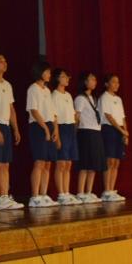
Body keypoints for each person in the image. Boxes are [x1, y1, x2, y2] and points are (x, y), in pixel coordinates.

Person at [0, 53, 23, 210]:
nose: (4, 63)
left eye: (5, 60)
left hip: (6, 126)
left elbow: (11, 108)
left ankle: (5, 195)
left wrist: (16, 128)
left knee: (5, 164)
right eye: (0, 61)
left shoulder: (7, 85)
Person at [26, 60, 58, 208]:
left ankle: (44, 195)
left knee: (47, 163)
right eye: (47, 71)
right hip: (38, 126)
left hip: (49, 125)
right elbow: (34, 110)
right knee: (39, 162)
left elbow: (52, 113)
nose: (49, 74)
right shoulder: (33, 89)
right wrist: (45, 128)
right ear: (40, 72)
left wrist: (55, 129)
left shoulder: (47, 90)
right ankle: (35, 196)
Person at [74, 71, 106, 204]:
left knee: (93, 164)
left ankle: (88, 192)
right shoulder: (80, 98)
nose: (95, 82)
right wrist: (75, 132)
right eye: (92, 79)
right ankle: (80, 192)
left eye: (95, 79)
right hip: (85, 132)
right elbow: (77, 116)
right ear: (85, 82)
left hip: (96, 132)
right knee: (85, 164)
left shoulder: (94, 98)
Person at [50, 68, 79, 205]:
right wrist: (57, 134)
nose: (67, 78)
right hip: (61, 128)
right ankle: (61, 193)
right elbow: (54, 116)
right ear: (57, 78)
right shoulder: (54, 95)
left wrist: (76, 121)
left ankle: (66, 192)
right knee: (61, 163)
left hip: (70, 128)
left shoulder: (68, 95)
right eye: (63, 76)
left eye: (67, 76)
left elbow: (73, 115)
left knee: (68, 163)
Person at [99, 73, 128, 202]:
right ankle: (107, 191)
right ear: (107, 84)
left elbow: (123, 118)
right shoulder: (104, 97)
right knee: (110, 160)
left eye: (118, 82)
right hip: (109, 129)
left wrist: (125, 132)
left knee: (116, 161)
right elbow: (108, 117)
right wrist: (121, 130)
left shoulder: (119, 99)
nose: (117, 84)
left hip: (119, 130)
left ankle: (112, 189)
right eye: (114, 82)